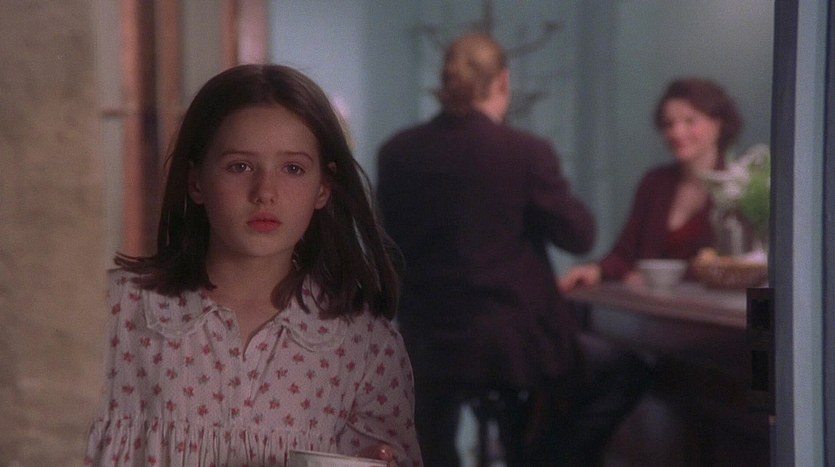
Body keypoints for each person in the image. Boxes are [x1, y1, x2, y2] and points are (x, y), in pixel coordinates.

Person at [84, 64, 422, 467]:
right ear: (196, 181)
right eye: (240, 166)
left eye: (293, 169)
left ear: (323, 188)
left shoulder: (365, 347)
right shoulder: (115, 313)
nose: (265, 192)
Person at [376, 32, 600, 466]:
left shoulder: (397, 152)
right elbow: (578, 236)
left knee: (433, 435)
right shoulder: (524, 153)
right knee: (617, 373)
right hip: (510, 345)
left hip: (425, 343)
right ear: (503, 81)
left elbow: (389, 243)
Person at [559, 77, 743, 292]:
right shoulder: (655, 183)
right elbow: (625, 251)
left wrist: (656, 278)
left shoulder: (740, 188)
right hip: (656, 307)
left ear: (718, 125)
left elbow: (748, 266)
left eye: (690, 121)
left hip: (718, 307)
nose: (676, 132)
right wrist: (596, 270)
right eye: (668, 124)